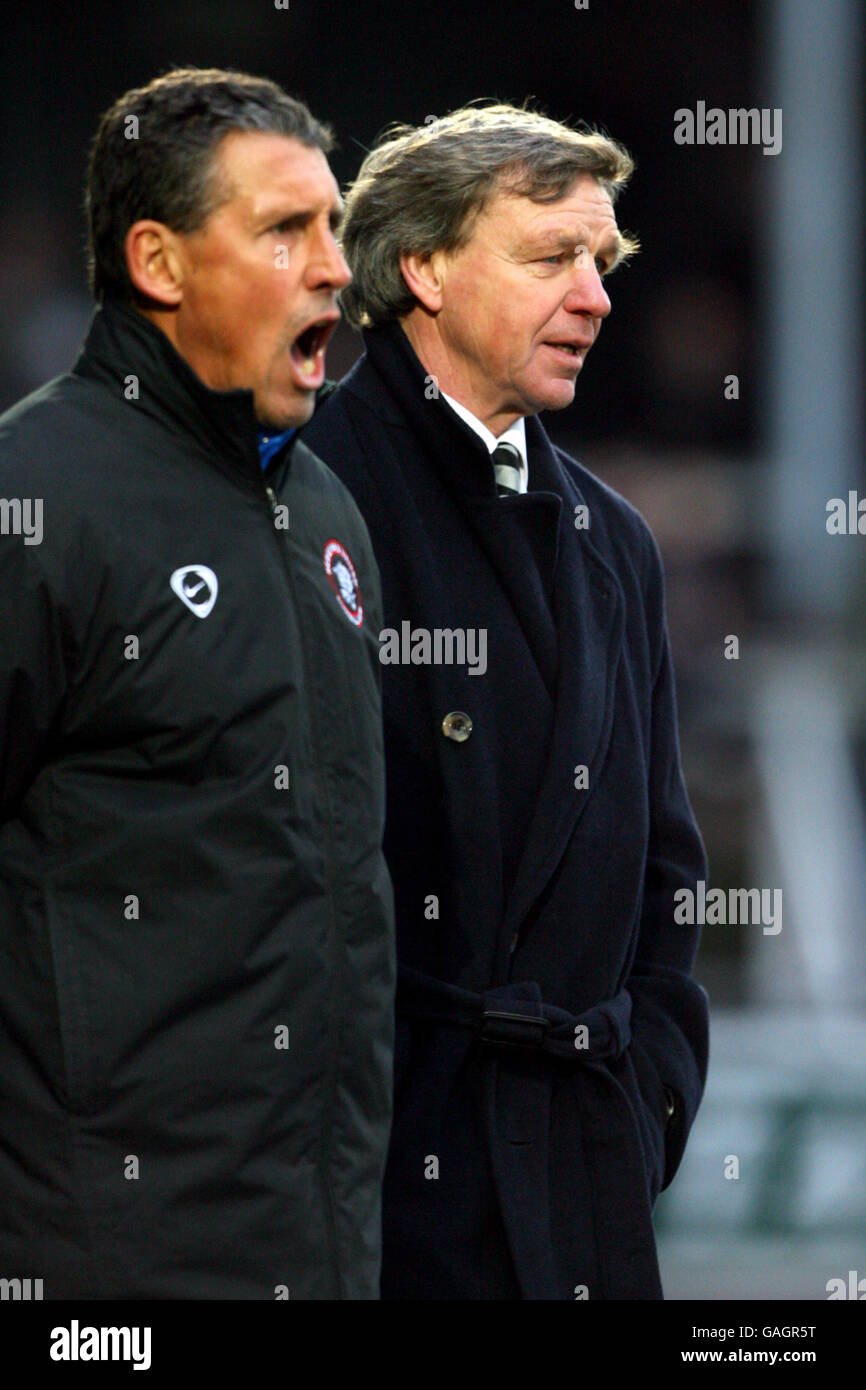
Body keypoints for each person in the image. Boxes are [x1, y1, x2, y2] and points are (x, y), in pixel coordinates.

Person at [302, 103, 710, 1300]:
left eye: (602, 263)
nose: (593, 297)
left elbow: (664, 878)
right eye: (551, 259)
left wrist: (645, 1108)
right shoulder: (311, 504)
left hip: (582, 1182)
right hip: (387, 1202)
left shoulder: (615, 542)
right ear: (420, 269)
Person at [0, 67, 395, 1299]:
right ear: (160, 264)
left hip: (317, 1250)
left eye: (333, 226)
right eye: (285, 229)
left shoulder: (326, 509)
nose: (334, 266)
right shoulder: (38, 504)